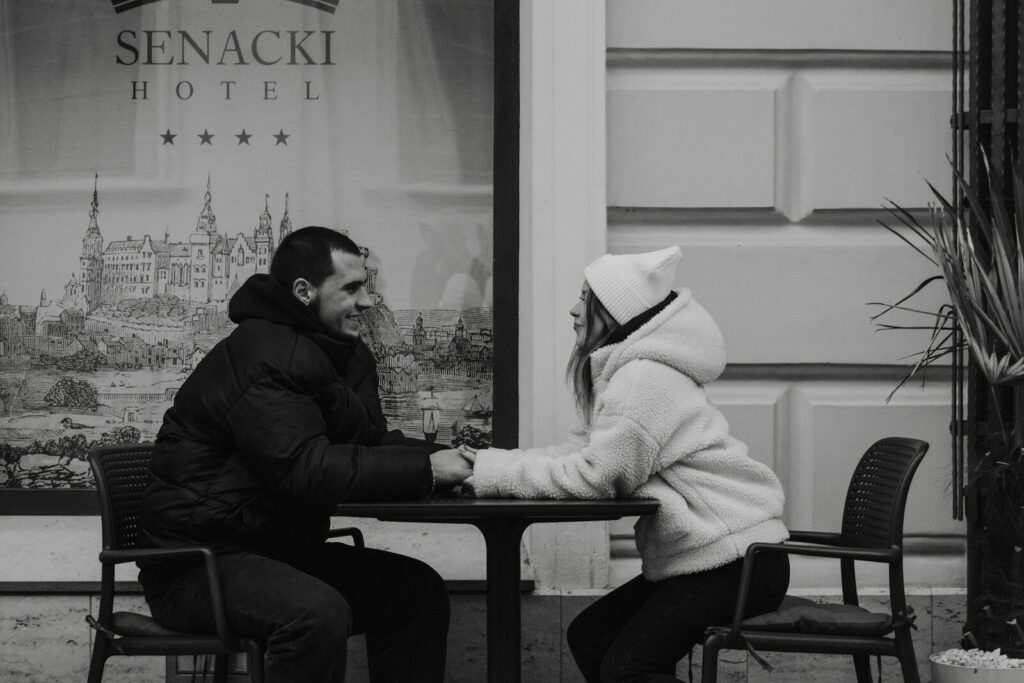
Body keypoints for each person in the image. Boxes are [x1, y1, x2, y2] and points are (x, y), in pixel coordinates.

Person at [138, 226, 472, 682]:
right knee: (315, 616)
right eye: (352, 288)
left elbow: (368, 444)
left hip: (274, 550)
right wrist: (426, 470)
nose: (368, 301)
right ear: (303, 291)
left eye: (367, 287)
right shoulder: (264, 354)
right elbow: (305, 471)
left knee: (416, 592)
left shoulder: (339, 354)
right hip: (199, 565)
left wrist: (460, 459)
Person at [461, 246, 790, 683]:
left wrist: (490, 474)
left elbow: (596, 476)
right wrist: (484, 466)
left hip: (736, 564)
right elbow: (578, 454)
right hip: (713, 558)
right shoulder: (629, 373)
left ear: (613, 312)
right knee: (591, 636)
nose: (574, 310)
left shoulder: (644, 379)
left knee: (628, 667)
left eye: (586, 299)